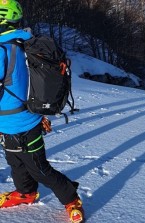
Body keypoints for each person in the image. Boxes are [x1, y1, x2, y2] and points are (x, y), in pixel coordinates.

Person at [0, 1, 84, 223]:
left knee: (39, 169)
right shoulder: (28, 41)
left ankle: (71, 199)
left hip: (19, 121)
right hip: (21, 119)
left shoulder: (3, 49)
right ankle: (26, 193)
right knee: (16, 162)